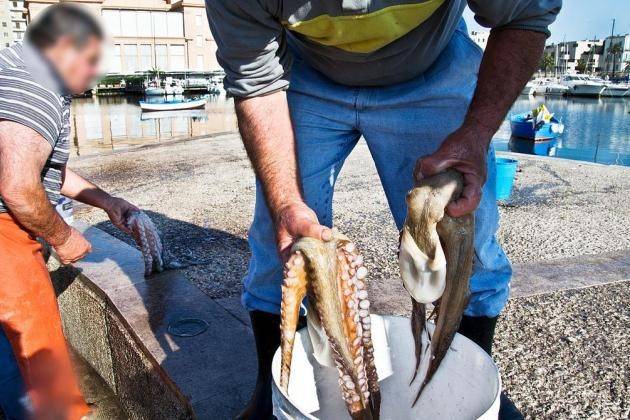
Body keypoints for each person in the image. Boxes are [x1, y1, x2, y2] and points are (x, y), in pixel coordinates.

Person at [204, 0, 561, 418]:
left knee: (467, 237)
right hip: (304, 73)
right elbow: (256, 80)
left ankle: (467, 377)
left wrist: (476, 134)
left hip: (433, 67)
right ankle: (272, 387)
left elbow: (524, 16)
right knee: (279, 242)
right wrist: (285, 203)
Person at [0, 4, 140, 419]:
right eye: (91, 61)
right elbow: (18, 186)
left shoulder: (21, 69)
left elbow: (44, 170)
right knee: (36, 348)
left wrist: (106, 201)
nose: (95, 75)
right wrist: (64, 237)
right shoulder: (37, 84)